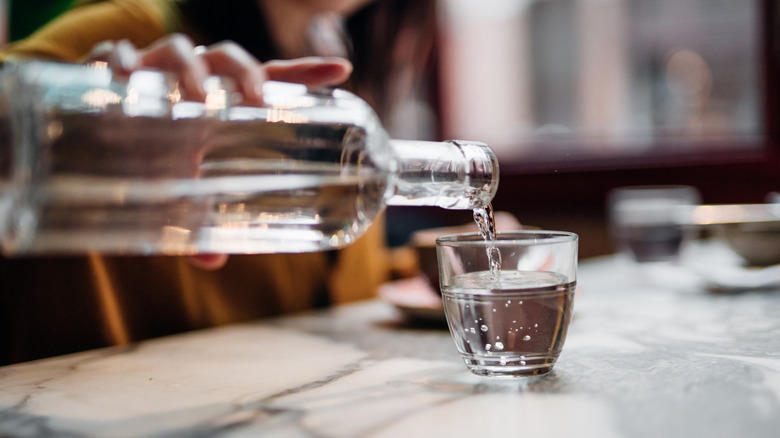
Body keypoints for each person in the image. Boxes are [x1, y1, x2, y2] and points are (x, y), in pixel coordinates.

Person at [0, 0, 440, 365]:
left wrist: (428, 266)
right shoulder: (135, 46)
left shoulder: (340, 81)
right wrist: (56, 130)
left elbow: (313, 287)